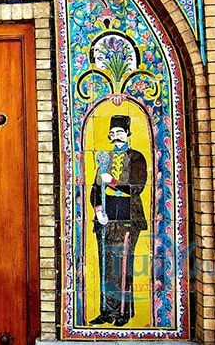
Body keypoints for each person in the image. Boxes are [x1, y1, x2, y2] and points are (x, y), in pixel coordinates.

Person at [89, 115, 147, 327]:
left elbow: (137, 187)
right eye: (112, 133)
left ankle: (123, 312)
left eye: (120, 132)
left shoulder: (136, 157)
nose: (116, 136)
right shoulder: (105, 158)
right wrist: (98, 209)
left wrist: (112, 182)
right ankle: (106, 311)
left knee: (122, 265)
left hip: (127, 215)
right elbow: (95, 189)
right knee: (105, 263)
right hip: (106, 216)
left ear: (128, 134)